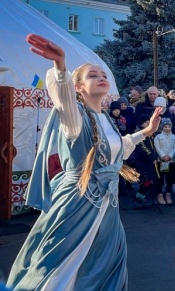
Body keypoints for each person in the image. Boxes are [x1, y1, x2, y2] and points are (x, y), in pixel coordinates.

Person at [8, 34, 162, 290]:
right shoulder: (75, 117)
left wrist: (145, 132)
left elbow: (118, 150)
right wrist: (60, 66)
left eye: (102, 74)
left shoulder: (107, 121)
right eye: (92, 75)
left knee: (105, 264)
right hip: (78, 202)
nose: (101, 77)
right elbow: (62, 97)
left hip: (107, 206)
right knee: (62, 265)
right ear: (78, 87)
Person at [133, 114, 160, 206]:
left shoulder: (151, 133)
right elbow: (143, 148)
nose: (148, 124)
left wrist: (155, 156)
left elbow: (154, 146)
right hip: (143, 162)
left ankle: (145, 196)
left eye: (149, 123)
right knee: (145, 180)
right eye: (146, 123)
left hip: (151, 161)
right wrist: (152, 156)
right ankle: (138, 197)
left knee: (151, 179)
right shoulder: (139, 134)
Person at [154, 118, 175, 206]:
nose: (167, 128)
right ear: (162, 127)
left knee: (170, 178)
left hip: (171, 161)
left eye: (169, 126)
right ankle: (159, 194)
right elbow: (157, 147)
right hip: (162, 161)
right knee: (160, 178)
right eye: (165, 126)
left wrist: (170, 156)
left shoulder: (174, 137)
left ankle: (168, 194)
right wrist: (163, 156)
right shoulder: (158, 137)